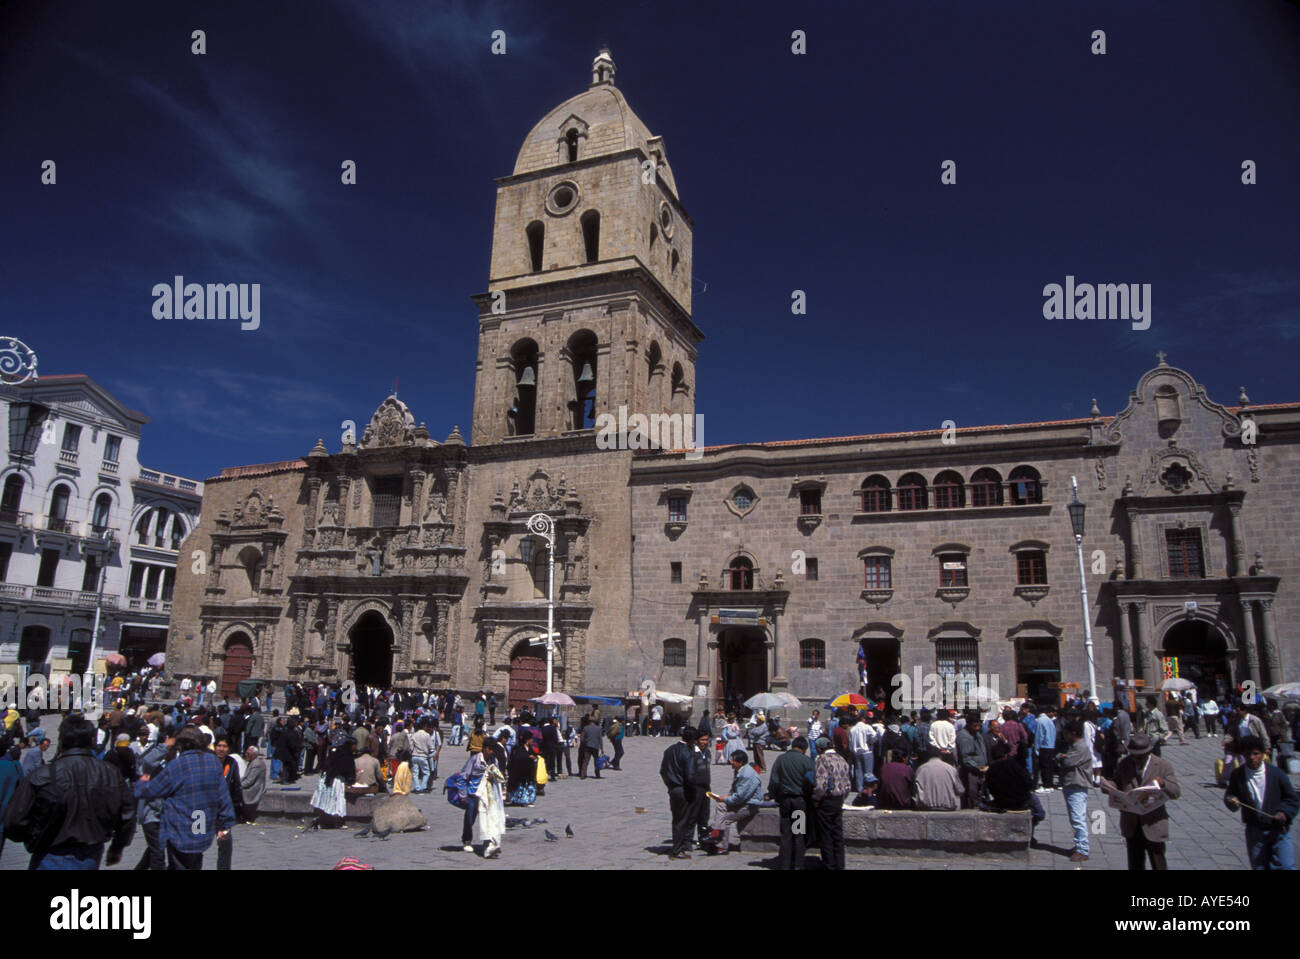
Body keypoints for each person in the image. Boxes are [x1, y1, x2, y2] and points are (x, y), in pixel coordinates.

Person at [4, 718, 136, 870]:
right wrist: (117, 847)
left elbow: (13, 822)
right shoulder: (110, 773)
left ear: (61, 741)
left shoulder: (42, 775)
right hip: (90, 855)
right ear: (92, 741)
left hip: (48, 853)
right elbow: (127, 815)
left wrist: (35, 837)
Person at [132, 725, 234, 870]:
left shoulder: (177, 766)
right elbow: (223, 796)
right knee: (195, 862)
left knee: (180, 863)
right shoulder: (213, 762)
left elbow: (151, 790)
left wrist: (141, 784)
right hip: (201, 827)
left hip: (180, 829)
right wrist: (225, 823)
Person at [1223, 735, 1297, 869]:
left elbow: (1292, 799)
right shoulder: (1238, 775)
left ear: (1263, 754)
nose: (1252, 757)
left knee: (1286, 866)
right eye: (1247, 754)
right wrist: (1231, 801)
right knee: (1259, 866)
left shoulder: (1277, 774)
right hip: (1255, 830)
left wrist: (1284, 813)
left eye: (1256, 753)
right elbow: (1230, 794)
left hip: (1278, 829)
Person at [1111, 732, 1180, 871]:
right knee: (1135, 863)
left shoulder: (1162, 765)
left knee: (1158, 863)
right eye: (1134, 756)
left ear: (1148, 752)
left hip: (1154, 822)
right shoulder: (1124, 763)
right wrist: (1110, 787)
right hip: (1131, 823)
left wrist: (1164, 784)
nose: (1136, 760)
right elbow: (1117, 781)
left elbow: (1176, 792)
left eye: (1140, 757)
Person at [766, 736, 815, 870]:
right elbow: (812, 782)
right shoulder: (807, 761)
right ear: (804, 749)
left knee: (786, 835)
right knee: (799, 835)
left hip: (785, 802)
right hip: (799, 802)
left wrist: (772, 795)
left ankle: (784, 865)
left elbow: (774, 781)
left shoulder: (781, 759)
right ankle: (798, 865)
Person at [702, 749, 763, 856]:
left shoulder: (747, 775)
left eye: (733, 760)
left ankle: (722, 847)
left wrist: (726, 799)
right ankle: (716, 831)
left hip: (749, 805)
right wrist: (724, 799)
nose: (731, 762)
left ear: (741, 763)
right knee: (721, 806)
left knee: (726, 819)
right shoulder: (740, 771)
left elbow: (740, 797)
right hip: (741, 802)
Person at [660, 727, 700, 860]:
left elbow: (663, 770)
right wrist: (693, 788)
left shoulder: (670, 750)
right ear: (693, 740)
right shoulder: (688, 752)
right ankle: (678, 849)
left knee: (677, 819)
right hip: (684, 789)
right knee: (683, 820)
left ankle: (678, 846)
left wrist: (670, 784)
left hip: (673, 789)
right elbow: (690, 775)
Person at [810, 736, 851, 868]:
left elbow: (821, 784)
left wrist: (816, 799)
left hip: (826, 801)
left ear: (820, 748)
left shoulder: (822, 759)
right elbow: (848, 784)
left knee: (826, 835)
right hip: (838, 800)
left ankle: (829, 864)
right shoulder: (842, 759)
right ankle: (840, 864)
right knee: (837, 835)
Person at [986, 740, 1045, 827]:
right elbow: (1030, 784)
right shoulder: (1014, 765)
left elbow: (991, 789)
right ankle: (1033, 819)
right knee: (1040, 812)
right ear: (1006, 754)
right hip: (1021, 802)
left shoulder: (990, 770)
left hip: (1002, 803)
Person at [1057, 721, 1093, 862]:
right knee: (1075, 817)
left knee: (1078, 818)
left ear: (1073, 733)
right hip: (1072, 783)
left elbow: (1067, 762)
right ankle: (1079, 844)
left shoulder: (1080, 747)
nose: (1064, 736)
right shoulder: (1075, 746)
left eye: (1066, 733)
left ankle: (1083, 849)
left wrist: (1061, 757)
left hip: (1076, 784)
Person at [213, 734, 244, 870]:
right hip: (203, 811)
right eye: (219, 746)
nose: (221, 749)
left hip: (223, 811)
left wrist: (237, 807)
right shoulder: (209, 761)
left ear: (229, 748)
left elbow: (236, 786)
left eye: (224, 746)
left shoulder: (232, 763)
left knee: (225, 844)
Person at [914, 746, 965, 811]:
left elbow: (914, 790)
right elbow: (960, 790)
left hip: (926, 806)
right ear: (941, 756)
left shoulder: (920, 769)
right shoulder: (951, 769)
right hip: (947, 806)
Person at [956, 711, 989, 809]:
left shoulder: (977, 734)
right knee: (971, 796)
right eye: (974, 723)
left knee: (980, 796)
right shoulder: (964, 737)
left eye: (979, 722)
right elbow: (966, 757)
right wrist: (977, 767)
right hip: (971, 772)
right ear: (969, 723)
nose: (977, 724)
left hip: (981, 771)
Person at [506, 732, 538, 806]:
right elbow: (518, 758)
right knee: (519, 787)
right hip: (520, 773)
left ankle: (527, 800)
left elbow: (534, 756)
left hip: (528, 773)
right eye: (531, 739)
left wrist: (534, 758)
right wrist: (527, 757)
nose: (532, 740)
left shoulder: (529, 748)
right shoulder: (519, 748)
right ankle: (518, 800)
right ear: (527, 740)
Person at [240, 745, 268, 823]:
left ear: (254, 755)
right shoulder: (252, 762)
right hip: (252, 785)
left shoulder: (256, 764)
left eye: (248, 754)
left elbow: (249, 781)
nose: (246, 755)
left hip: (254, 788)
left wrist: (238, 786)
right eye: (246, 753)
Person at [848, 712, 875, 792]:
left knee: (858, 770)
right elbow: (875, 736)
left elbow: (850, 743)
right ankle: (868, 788)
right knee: (868, 772)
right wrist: (870, 742)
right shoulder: (867, 727)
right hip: (867, 751)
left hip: (856, 752)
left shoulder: (852, 729)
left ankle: (859, 788)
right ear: (863, 719)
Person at [1035, 706, 1058, 791]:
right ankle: (1049, 783)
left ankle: (1046, 785)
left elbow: (1039, 736)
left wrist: (1037, 749)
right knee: (1050, 766)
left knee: (1044, 767)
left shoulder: (1040, 721)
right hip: (1051, 746)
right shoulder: (1050, 721)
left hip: (1044, 746)